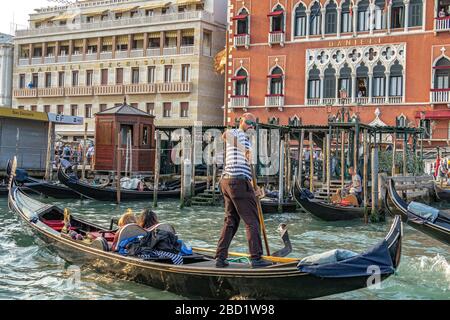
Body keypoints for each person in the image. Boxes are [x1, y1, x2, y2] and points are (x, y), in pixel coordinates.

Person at [215, 113, 272, 269]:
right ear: (241, 121)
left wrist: (254, 190)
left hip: (229, 182)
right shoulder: (235, 132)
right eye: (248, 122)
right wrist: (244, 150)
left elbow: (247, 169)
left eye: (252, 124)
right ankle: (256, 258)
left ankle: (220, 258)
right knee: (252, 221)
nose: (250, 126)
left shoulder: (247, 140)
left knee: (231, 221)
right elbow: (225, 135)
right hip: (237, 181)